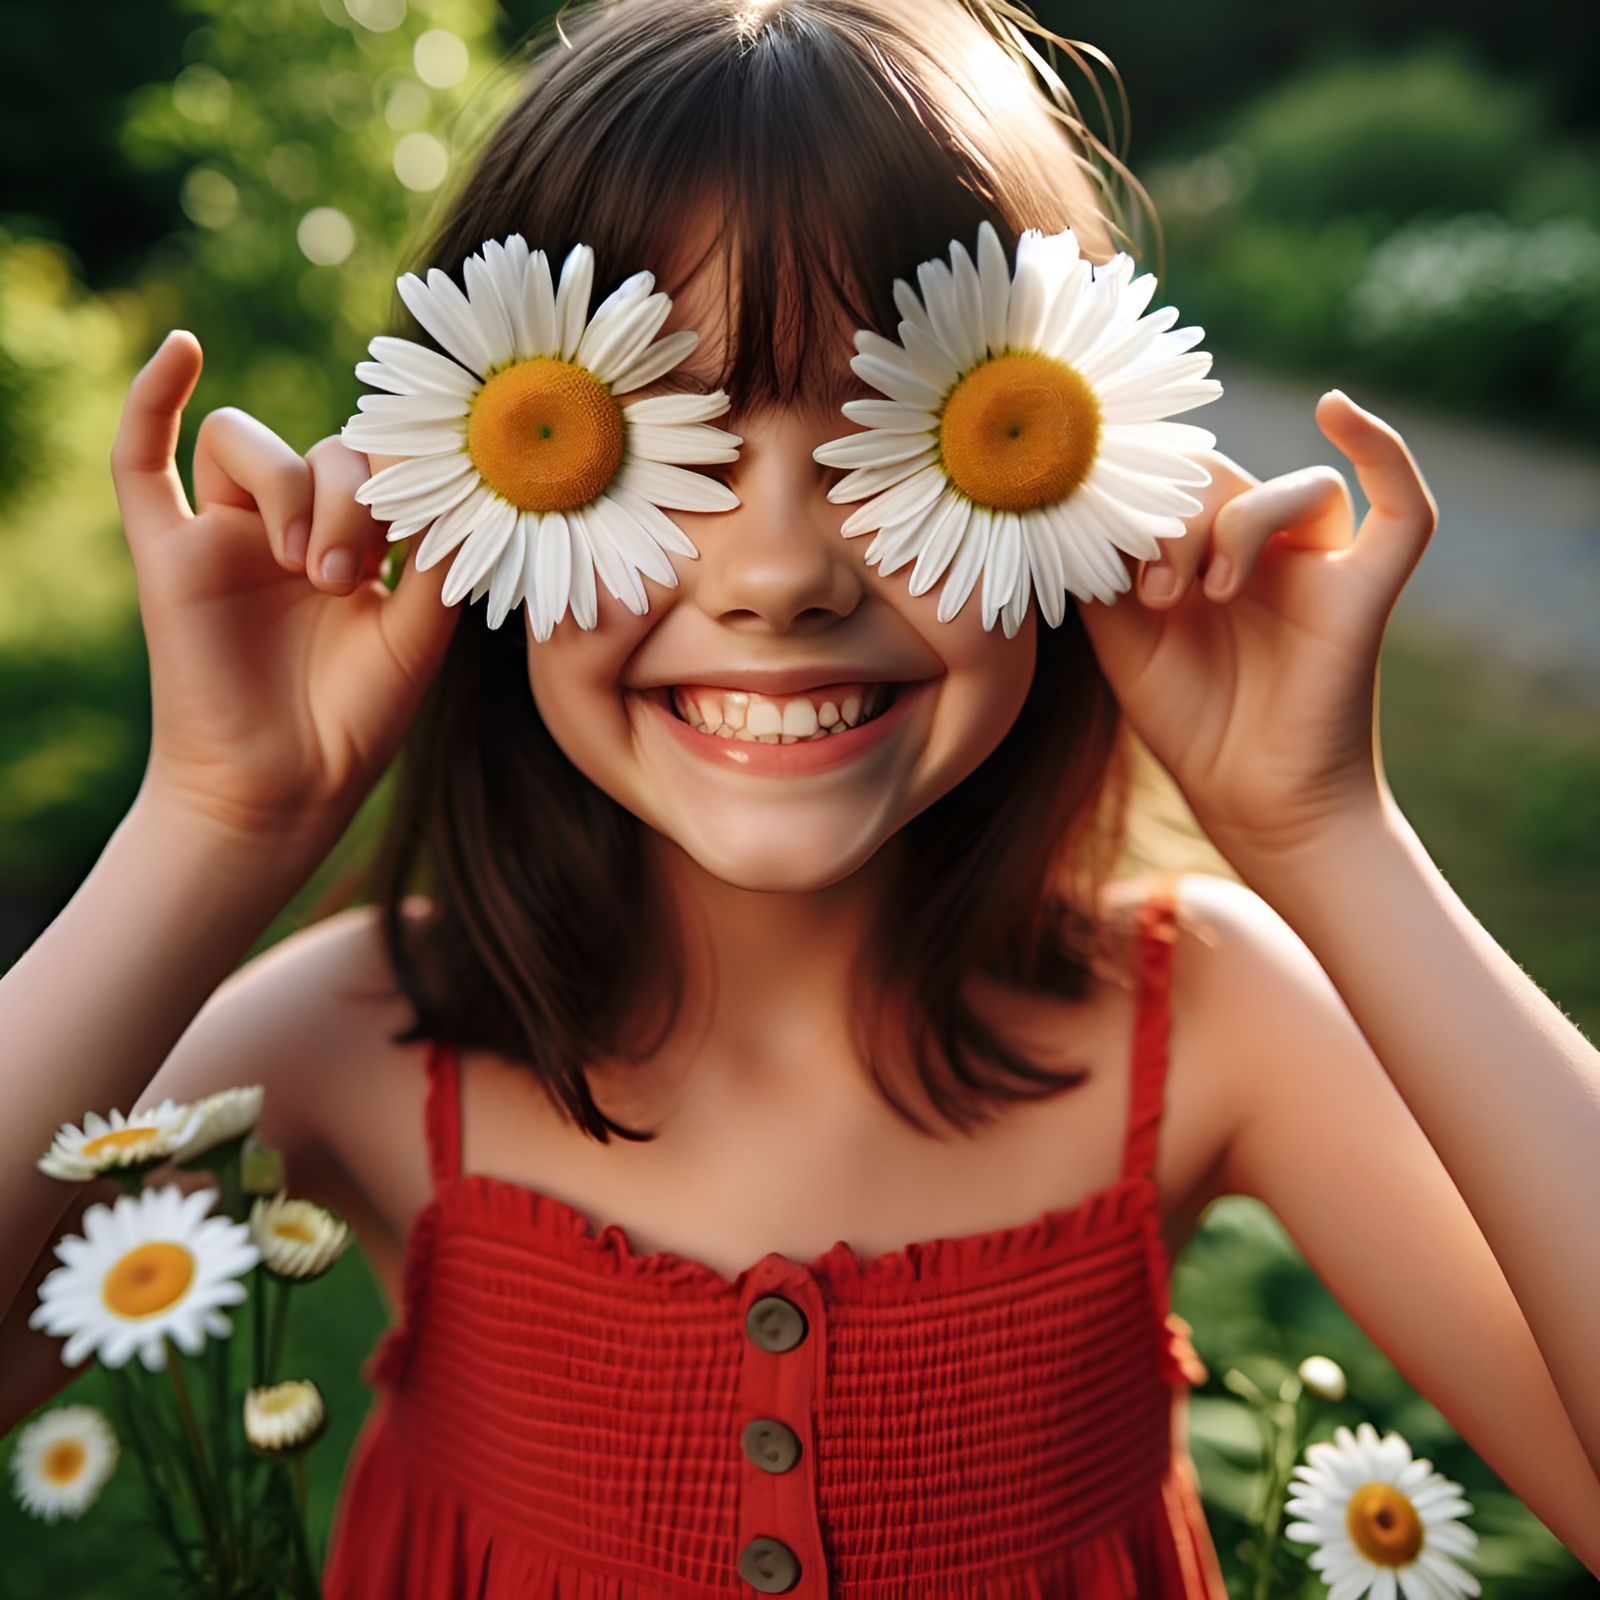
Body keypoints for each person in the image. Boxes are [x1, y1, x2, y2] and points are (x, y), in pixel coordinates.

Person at [4, 0, 1599, 1592]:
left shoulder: (1212, 1026)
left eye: (901, 435)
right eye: (636, 436)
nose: (778, 573)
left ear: (1078, 478)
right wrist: (214, 823)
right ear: (475, 497)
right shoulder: (367, 1035)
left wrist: (1326, 833)